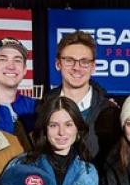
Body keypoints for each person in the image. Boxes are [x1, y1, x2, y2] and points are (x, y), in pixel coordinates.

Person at [44, 30, 121, 166]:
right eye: (69, 61)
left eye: (84, 62)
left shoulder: (110, 112)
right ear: (58, 64)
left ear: (93, 67)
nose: (76, 67)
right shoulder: (43, 108)